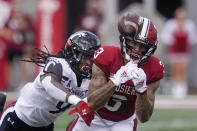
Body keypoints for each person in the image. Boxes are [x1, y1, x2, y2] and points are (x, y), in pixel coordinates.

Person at [67, 13, 164, 131]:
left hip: (123, 121)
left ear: (150, 49)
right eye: (133, 43)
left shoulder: (154, 67)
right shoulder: (107, 56)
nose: (137, 50)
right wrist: (116, 80)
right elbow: (92, 104)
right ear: (124, 40)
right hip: (96, 115)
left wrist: (141, 89)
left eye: (142, 46)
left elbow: (144, 117)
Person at [0, 30, 100, 131]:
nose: (88, 62)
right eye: (85, 57)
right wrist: (77, 101)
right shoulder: (59, 64)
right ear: (73, 53)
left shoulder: (90, 80)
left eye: (91, 58)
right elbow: (50, 85)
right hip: (17, 119)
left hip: (45, 126)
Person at [161, 7, 197, 98]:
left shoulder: (189, 25)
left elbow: (193, 38)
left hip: (184, 51)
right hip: (174, 51)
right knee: (175, 70)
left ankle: (183, 88)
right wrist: (173, 41)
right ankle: (175, 88)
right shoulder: (170, 24)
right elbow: (165, 36)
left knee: (183, 69)